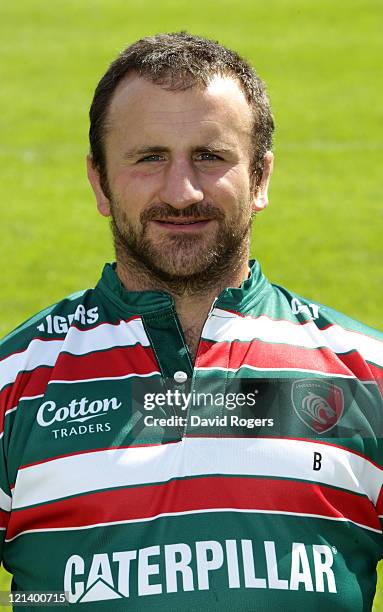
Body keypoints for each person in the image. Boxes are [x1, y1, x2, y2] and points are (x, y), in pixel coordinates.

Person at [0, 32, 382, 611]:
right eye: (149, 158)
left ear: (261, 179)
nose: (181, 192)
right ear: (99, 181)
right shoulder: (13, 386)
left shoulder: (367, 379)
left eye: (210, 156)